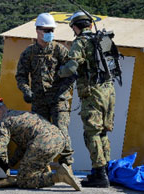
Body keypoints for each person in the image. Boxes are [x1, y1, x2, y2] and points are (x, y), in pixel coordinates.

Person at [58, 11, 116, 188]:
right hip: (108, 92)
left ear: (76, 26)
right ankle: (104, 171)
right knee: (103, 132)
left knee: (91, 133)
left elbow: (72, 66)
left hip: (92, 93)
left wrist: (59, 72)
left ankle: (99, 175)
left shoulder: (81, 42)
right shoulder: (103, 40)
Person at [0, 97, 81, 190]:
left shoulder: (4, 123)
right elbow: (22, 148)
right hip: (59, 140)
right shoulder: (20, 114)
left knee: (24, 181)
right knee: (32, 161)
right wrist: (10, 164)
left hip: (42, 143)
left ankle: (58, 176)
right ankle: (44, 173)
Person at [15, 13, 74, 167]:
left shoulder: (59, 50)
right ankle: (42, 165)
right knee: (40, 134)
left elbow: (72, 73)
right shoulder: (28, 53)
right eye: (46, 30)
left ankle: (67, 164)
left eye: (51, 30)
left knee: (61, 129)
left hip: (58, 100)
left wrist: (61, 92)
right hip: (39, 101)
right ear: (37, 30)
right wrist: (26, 90)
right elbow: (21, 76)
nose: (50, 33)